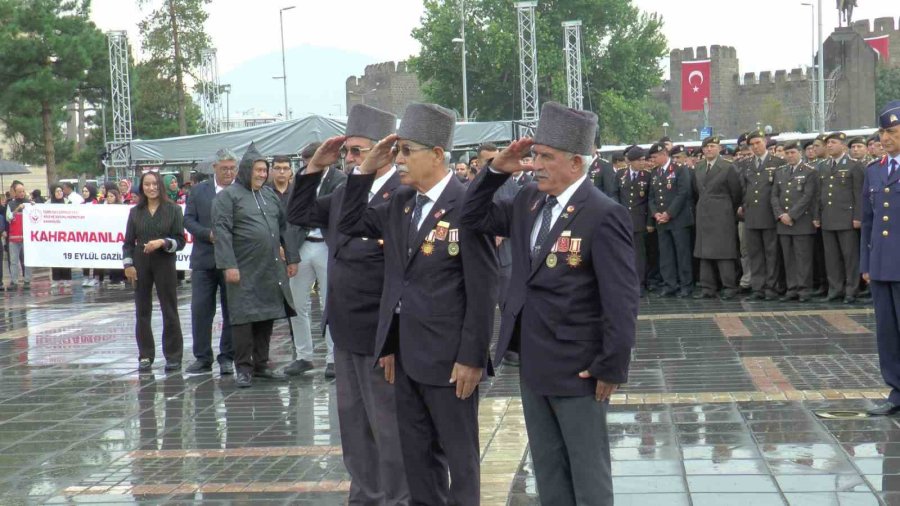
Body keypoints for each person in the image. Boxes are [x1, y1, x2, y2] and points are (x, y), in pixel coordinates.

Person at [463, 101, 639, 505]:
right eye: (535, 155)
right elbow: (472, 216)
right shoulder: (529, 201)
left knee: (587, 473)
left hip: (579, 366)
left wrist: (611, 364)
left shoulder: (602, 213)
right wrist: (494, 172)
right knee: (548, 468)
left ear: (576, 163)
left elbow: (622, 298)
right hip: (532, 360)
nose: (536, 164)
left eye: (546, 157)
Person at [334, 103, 497, 506]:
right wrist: (365, 168)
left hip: (451, 360)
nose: (400, 160)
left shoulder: (468, 206)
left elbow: (483, 289)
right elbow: (350, 221)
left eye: (408, 151)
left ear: (438, 154)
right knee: (417, 458)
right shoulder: (402, 203)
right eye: (398, 151)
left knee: (460, 461)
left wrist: (473, 357)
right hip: (406, 356)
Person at [287, 104, 409, 505]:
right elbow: (299, 212)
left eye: (358, 151)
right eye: (349, 152)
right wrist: (314, 170)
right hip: (344, 327)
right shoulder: (342, 192)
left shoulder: (403, 194)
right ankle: (365, 495)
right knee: (354, 427)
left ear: (385, 151)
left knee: (388, 428)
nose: (351, 159)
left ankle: (395, 497)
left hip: (381, 330)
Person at [212, 142, 299, 388]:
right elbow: (222, 232)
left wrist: (292, 258)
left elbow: (284, 227)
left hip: (270, 267)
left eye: (264, 170)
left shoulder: (269, 195)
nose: (262, 174)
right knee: (243, 318)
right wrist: (228, 265)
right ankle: (243, 368)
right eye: (258, 170)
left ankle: (261, 364)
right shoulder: (228, 196)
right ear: (247, 170)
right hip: (242, 267)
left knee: (267, 314)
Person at [284, 142, 346, 379]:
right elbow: (291, 217)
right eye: (305, 162)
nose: (307, 166)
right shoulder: (301, 179)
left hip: (327, 245)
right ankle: (303, 356)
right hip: (303, 244)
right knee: (297, 303)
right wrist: (290, 253)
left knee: (330, 303)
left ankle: (333, 358)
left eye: (311, 161)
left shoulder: (339, 180)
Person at [122, 171, 186, 372]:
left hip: (164, 261)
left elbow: (181, 241)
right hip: (141, 262)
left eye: (155, 184)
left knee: (169, 308)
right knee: (142, 310)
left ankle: (173, 356)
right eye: (147, 184)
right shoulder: (135, 212)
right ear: (142, 187)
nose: (151, 188)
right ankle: (145, 355)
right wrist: (128, 265)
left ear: (161, 186)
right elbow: (127, 243)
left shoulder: (173, 210)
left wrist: (163, 242)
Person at [861, 101, 900, 416]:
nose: (886, 138)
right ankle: (896, 392)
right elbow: (869, 223)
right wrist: (866, 265)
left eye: (892, 132)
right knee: (887, 332)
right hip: (882, 266)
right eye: (883, 132)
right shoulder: (874, 170)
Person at [184, 148, 237, 376]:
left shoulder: (240, 191)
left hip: (232, 260)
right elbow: (188, 219)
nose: (228, 172)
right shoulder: (199, 191)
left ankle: (227, 357)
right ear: (214, 168)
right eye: (224, 168)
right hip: (204, 260)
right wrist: (207, 234)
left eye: (232, 168)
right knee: (201, 311)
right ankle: (202, 357)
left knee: (232, 310)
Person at [692, 136, 742, 300]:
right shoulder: (699, 167)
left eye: (712, 146)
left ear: (719, 148)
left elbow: (736, 192)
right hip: (703, 214)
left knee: (724, 253)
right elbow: (696, 191)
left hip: (722, 214)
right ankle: (708, 287)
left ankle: (729, 286)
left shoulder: (728, 167)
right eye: (706, 147)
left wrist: (728, 208)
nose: (709, 149)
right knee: (704, 252)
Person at [816, 131, 864, 303]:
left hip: (847, 218)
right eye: (828, 143)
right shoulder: (823, 166)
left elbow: (858, 194)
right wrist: (817, 216)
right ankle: (835, 289)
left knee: (849, 257)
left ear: (843, 146)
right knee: (831, 257)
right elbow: (819, 194)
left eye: (833, 142)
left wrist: (858, 217)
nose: (829, 145)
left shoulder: (854, 165)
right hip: (828, 217)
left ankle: (851, 290)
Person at [771, 141, 819, 302]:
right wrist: (781, 215)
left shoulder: (809, 171)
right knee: (789, 257)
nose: (790, 156)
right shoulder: (780, 171)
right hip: (783, 222)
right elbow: (774, 195)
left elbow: (808, 196)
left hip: (801, 221)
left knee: (803, 258)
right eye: (787, 153)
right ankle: (792, 288)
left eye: (793, 153)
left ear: (800, 153)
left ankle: (804, 289)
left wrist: (791, 215)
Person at [741, 130, 783, 300]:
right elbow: (744, 188)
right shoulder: (747, 164)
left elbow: (780, 189)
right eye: (752, 144)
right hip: (751, 215)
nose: (755, 147)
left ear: (765, 142)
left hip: (769, 214)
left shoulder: (777, 162)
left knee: (771, 253)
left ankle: (771, 288)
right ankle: (758, 287)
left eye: (758, 142)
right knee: (755, 253)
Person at [648, 142, 694, 297]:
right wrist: (656, 214)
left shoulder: (679, 169)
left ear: (663, 154)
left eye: (655, 157)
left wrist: (669, 213)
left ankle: (685, 285)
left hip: (678, 219)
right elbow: (651, 197)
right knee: (666, 255)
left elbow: (683, 193)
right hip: (661, 220)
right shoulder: (655, 172)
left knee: (682, 254)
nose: (652, 160)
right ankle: (670, 284)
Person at [616, 146, 652, 296]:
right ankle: (624, 282)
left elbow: (651, 200)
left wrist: (650, 221)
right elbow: (614, 194)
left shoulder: (647, 176)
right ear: (630, 161)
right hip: (623, 220)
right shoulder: (620, 174)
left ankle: (639, 284)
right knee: (622, 253)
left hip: (639, 220)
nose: (643, 162)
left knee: (639, 255)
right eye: (639, 160)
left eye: (644, 159)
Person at [6, 181, 31, 290]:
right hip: (14, 238)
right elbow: (9, 218)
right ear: (15, 193)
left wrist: (32, 206)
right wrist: (17, 209)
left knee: (28, 260)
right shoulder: (10, 204)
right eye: (19, 192)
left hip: (26, 238)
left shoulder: (29, 203)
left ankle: (27, 280)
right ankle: (14, 281)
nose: (22, 193)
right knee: (14, 261)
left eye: (23, 191)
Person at [48, 185, 73, 288]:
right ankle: (56, 279)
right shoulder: (48, 204)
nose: (59, 193)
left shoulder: (68, 202)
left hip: (66, 235)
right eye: (57, 191)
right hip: (54, 235)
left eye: (60, 191)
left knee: (66, 257)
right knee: (55, 257)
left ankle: (67, 279)